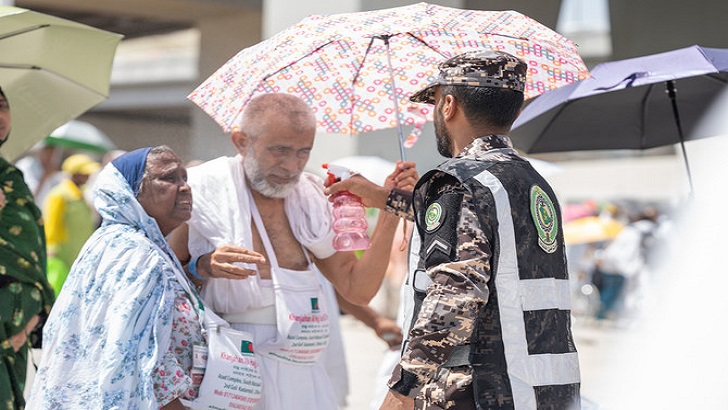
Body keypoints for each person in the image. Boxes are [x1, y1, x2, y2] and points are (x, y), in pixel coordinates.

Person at [326, 51, 581, 409]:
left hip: (481, 392)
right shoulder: (529, 181)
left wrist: (402, 391)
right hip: (547, 391)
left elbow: (454, 296)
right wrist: (385, 197)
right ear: (515, 110)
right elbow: (474, 229)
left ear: (448, 105)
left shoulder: (460, 183)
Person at [167, 92, 417, 409]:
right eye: (279, 151)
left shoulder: (311, 196)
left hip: (305, 380)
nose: (291, 166)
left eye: (303, 152)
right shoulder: (199, 191)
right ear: (241, 141)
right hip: (227, 377)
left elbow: (358, 288)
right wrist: (200, 267)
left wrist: (390, 208)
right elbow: (163, 294)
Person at [27, 146, 204, 409]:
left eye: (184, 179)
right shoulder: (138, 256)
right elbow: (144, 359)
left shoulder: (117, 243)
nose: (185, 188)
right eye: (168, 178)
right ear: (130, 194)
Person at [0, 87, 56, 410]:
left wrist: (32, 318)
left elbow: (33, 252)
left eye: (3, 105)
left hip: (17, 336)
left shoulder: (11, 177)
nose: (0, 115)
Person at [43, 153, 101, 295]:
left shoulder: (82, 194)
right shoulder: (59, 194)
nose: (87, 177)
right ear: (75, 174)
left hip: (77, 250)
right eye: (84, 173)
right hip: (63, 253)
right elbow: (51, 223)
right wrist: (52, 249)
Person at [592, 207, 659, 321]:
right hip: (645, 268)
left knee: (622, 294)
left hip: (623, 267)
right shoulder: (656, 230)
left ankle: (607, 316)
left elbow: (617, 252)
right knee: (641, 294)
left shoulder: (631, 231)